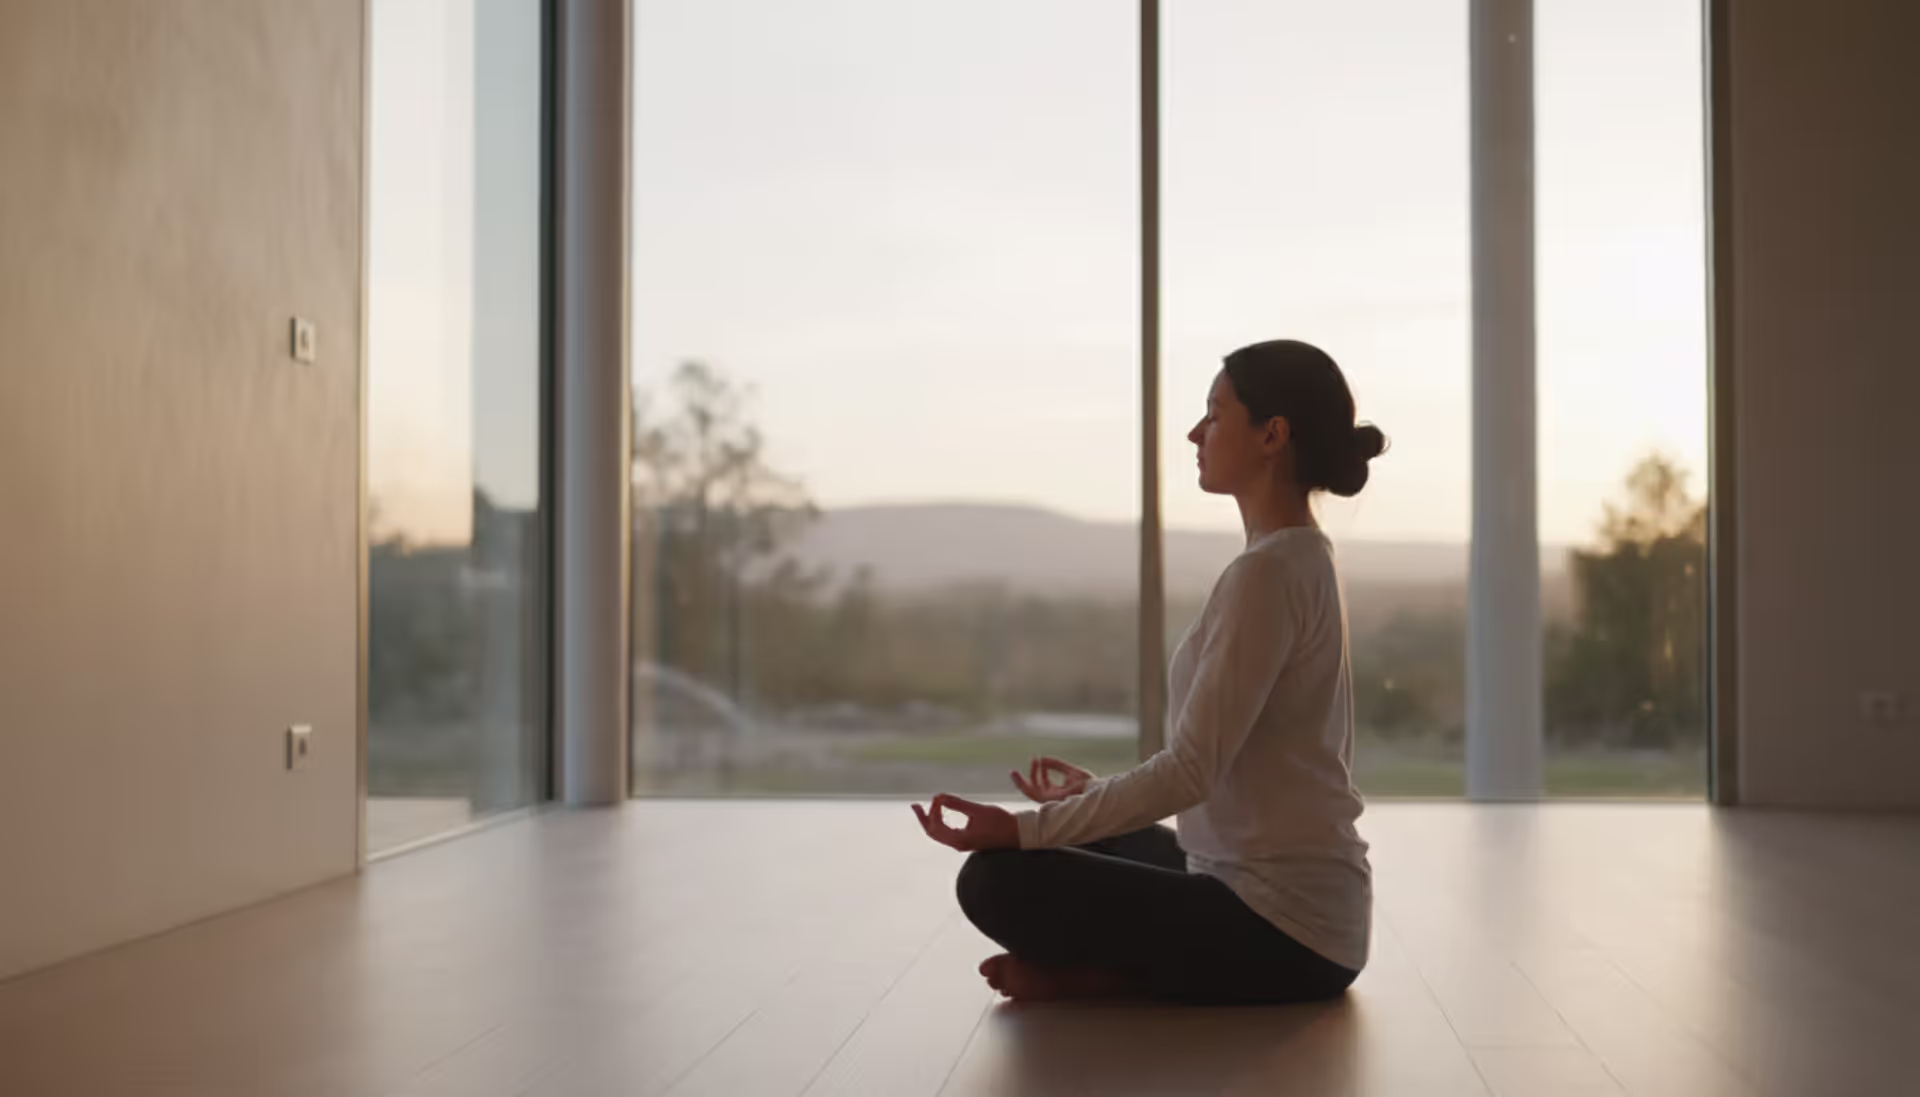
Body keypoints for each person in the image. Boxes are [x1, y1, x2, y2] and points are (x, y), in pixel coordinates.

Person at [911, 339, 1385, 1005]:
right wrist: (1091, 799)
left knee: (993, 877)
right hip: (1288, 904)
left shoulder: (1269, 573)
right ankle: (1120, 969)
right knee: (1094, 827)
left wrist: (1017, 827)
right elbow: (1225, 766)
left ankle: (1110, 980)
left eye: (1215, 413)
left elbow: (1189, 770)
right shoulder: (1301, 557)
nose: (1196, 432)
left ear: (1272, 434)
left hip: (1288, 932)